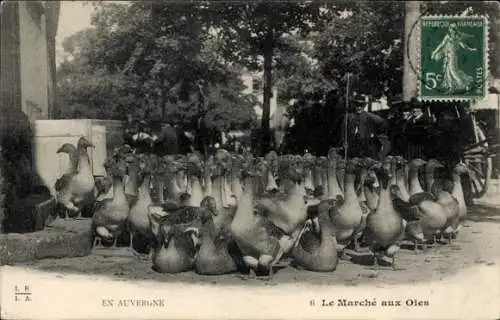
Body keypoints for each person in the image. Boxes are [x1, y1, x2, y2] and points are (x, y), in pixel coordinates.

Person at [339, 94, 389, 160]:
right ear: (354, 105)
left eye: (361, 105)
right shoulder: (348, 117)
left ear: (364, 105)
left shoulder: (369, 116)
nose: (359, 107)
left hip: (366, 144)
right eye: (357, 105)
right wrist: (344, 142)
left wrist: (374, 133)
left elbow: (383, 123)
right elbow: (343, 131)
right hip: (352, 145)